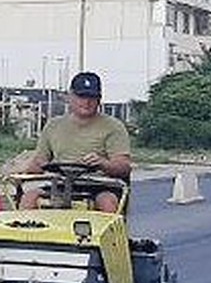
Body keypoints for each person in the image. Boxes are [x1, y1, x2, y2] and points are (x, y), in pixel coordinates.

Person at [22, 71, 132, 212]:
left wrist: (103, 163)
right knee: (29, 198)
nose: (86, 102)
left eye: (92, 97)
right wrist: (23, 170)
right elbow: (40, 161)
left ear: (99, 99)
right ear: (70, 97)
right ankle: (29, 233)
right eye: (81, 96)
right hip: (61, 183)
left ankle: (109, 232)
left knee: (106, 203)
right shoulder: (53, 125)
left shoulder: (114, 127)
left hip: (101, 184)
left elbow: (123, 166)